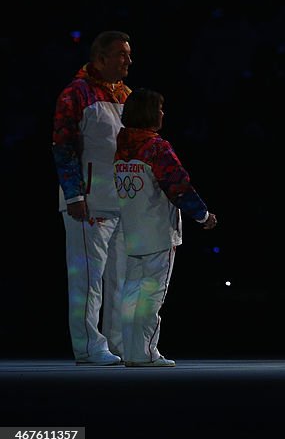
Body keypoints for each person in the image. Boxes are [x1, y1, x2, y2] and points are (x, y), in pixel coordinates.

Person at [114, 89, 217, 367]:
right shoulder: (156, 148)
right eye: (159, 108)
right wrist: (203, 216)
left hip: (131, 233)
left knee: (132, 293)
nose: (163, 113)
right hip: (158, 233)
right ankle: (146, 352)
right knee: (152, 294)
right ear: (148, 112)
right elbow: (179, 187)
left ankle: (132, 351)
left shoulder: (121, 145)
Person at [53, 31, 132, 365]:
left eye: (129, 54)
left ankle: (116, 342)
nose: (128, 60)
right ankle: (88, 345)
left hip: (123, 202)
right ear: (100, 58)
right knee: (88, 279)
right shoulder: (76, 93)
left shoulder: (126, 95)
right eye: (121, 54)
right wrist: (74, 194)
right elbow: (63, 146)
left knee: (119, 279)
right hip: (88, 200)